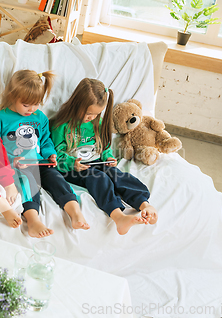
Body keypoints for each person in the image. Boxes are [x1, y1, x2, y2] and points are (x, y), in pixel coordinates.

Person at [0, 69, 89, 238]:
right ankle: (33, 220)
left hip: (40, 162)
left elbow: (46, 140)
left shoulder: (39, 117)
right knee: (27, 182)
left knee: (56, 178)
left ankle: (75, 212)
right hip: (18, 166)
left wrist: (50, 154)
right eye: (26, 105)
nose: (31, 109)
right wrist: (12, 161)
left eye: (36, 104)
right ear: (12, 96)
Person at [50, 78, 158, 235]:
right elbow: (57, 155)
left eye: (95, 114)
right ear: (76, 104)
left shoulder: (98, 123)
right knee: (98, 177)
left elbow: (104, 146)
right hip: (73, 168)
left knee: (118, 175)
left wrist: (108, 157)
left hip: (96, 161)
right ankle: (118, 216)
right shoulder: (62, 125)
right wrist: (72, 163)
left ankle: (143, 204)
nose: (91, 117)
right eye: (88, 113)